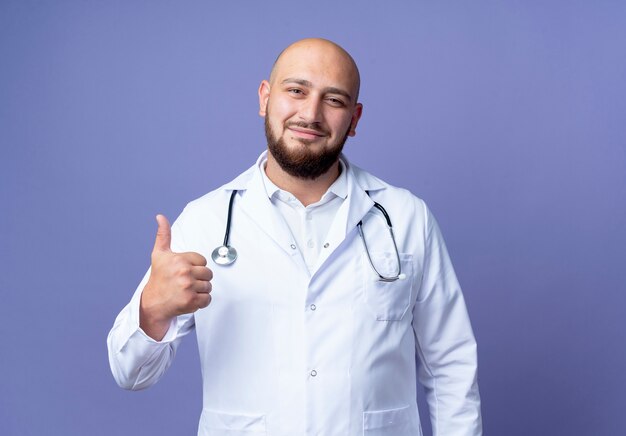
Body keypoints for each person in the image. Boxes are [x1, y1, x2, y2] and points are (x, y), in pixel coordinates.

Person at [107, 38, 482, 436]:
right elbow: (129, 373)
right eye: (296, 91)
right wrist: (153, 312)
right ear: (265, 98)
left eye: (333, 100)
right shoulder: (206, 221)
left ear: (354, 119)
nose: (311, 113)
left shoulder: (406, 218)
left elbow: (450, 367)